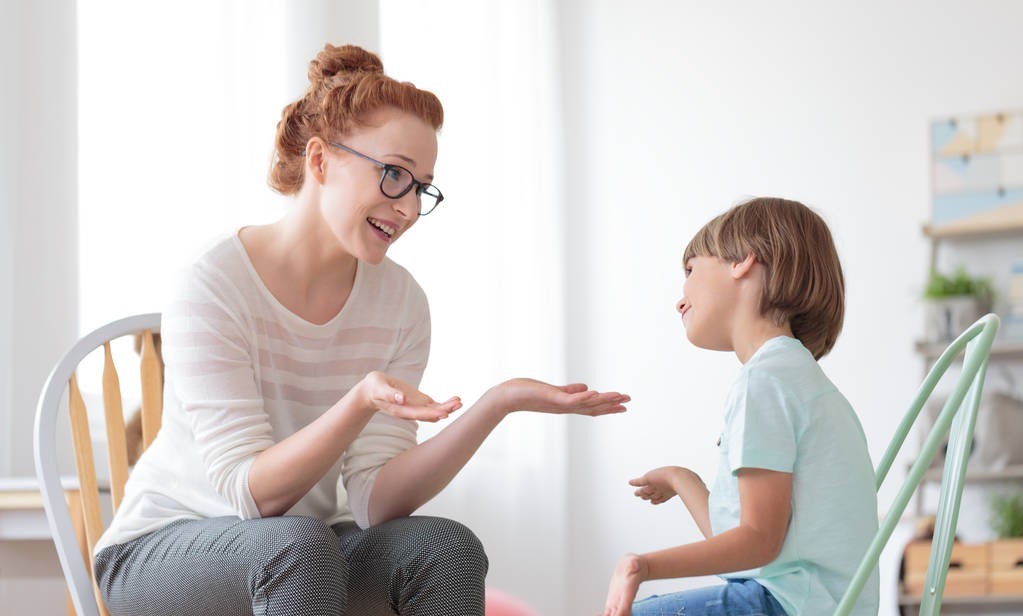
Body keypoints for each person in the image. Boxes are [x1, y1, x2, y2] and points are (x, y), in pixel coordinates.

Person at [93, 43, 629, 616]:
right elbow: (251, 495)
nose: (409, 208)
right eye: (395, 174)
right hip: (164, 551)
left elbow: (375, 502)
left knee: (444, 549)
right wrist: (358, 402)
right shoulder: (213, 281)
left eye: (422, 186)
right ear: (321, 162)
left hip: (306, 551)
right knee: (298, 549)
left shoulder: (401, 302)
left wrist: (498, 404)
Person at [601, 197, 879, 616]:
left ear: (743, 261)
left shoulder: (765, 381)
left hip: (787, 606)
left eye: (690, 270)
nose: (680, 299)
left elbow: (757, 543)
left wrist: (642, 565)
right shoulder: (794, 377)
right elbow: (748, 541)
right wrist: (682, 480)